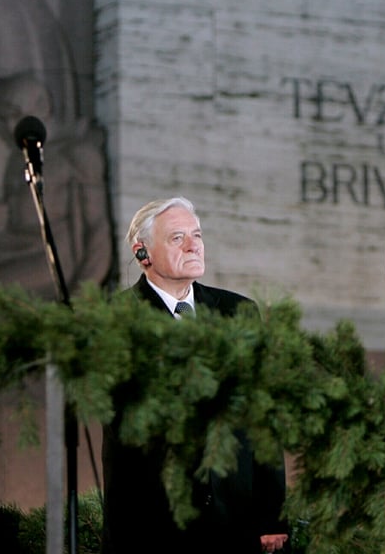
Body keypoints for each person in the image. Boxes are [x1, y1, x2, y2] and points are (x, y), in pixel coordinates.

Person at [100, 197, 290, 554]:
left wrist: (272, 516)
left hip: (236, 525)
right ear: (143, 253)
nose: (193, 246)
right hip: (152, 526)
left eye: (197, 235)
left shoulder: (239, 312)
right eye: (177, 238)